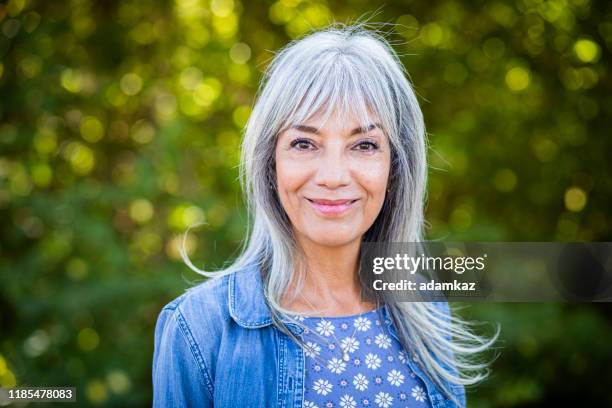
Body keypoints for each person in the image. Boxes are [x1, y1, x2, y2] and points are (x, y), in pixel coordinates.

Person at [152, 23, 497, 408]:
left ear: (395, 167)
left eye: (364, 144)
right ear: (271, 163)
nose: (333, 176)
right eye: (304, 143)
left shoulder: (427, 307)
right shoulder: (199, 327)